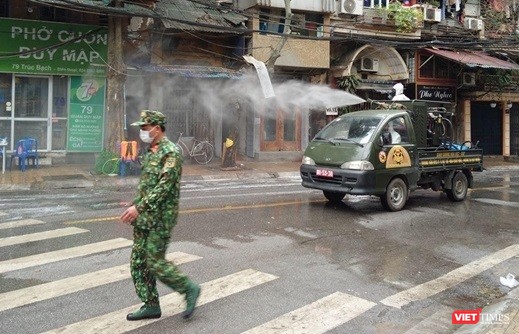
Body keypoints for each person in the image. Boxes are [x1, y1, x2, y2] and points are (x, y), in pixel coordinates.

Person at [120, 110, 201, 321]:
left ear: (157, 128)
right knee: (138, 262)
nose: (142, 132)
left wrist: (139, 207)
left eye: (145, 128)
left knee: (155, 262)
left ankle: (189, 288)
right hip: (144, 216)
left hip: (161, 219)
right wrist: (134, 203)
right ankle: (151, 304)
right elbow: (148, 185)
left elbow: (164, 187)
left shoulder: (171, 152)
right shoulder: (152, 150)